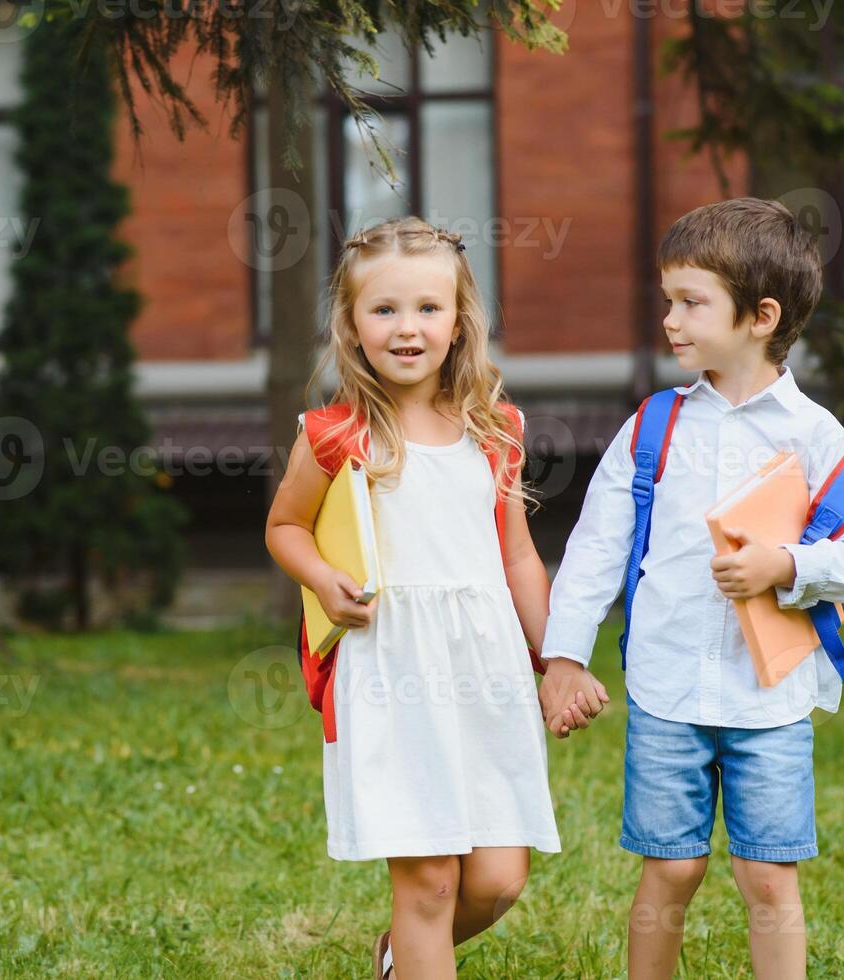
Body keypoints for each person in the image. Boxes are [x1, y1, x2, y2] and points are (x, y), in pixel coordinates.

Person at [540, 198, 844, 980]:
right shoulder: (654, 428)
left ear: (761, 316)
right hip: (667, 690)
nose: (672, 319)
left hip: (770, 701)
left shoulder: (813, 436)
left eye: (692, 302)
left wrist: (788, 567)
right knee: (672, 871)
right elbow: (596, 547)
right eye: (669, 300)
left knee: (767, 875)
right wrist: (563, 656)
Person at [265, 215, 600, 980]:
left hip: (484, 673)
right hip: (392, 671)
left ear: (459, 321)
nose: (407, 328)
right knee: (429, 882)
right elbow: (285, 527)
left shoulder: (495, 430)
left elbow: (517, 557)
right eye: (384, 310)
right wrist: (322, 579)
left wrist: (556, 660)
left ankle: (398, 960)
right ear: (352, 325)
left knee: (497, 879)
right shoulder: (335, 435)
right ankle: (416, 952)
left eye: (427, 309)